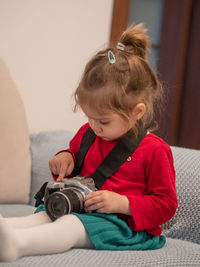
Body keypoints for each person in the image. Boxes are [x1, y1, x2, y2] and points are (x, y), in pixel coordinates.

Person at [0, 23, 177, 262]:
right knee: (46, 214)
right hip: (81, 208)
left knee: (71, 225)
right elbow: (75, 161)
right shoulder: (88, 132)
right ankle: (8, 229)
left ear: (137, 112)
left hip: (124, 225)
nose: (94, 126)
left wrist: (123, 203)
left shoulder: (155, 150)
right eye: (89, 117)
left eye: (103, 120)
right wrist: (65, 158)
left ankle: (17, 245)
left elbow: (165, 205)